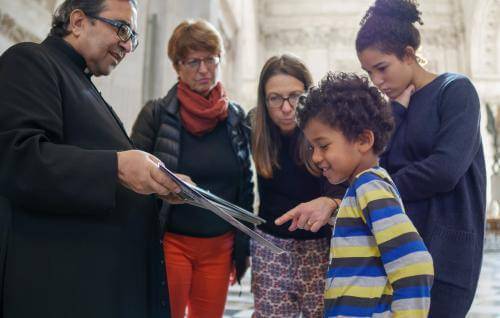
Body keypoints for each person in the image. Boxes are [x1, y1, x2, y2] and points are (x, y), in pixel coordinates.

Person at [0, 0, 182, 317]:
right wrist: (116, 166)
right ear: (78, 21)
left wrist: (159, 184)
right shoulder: (30, 60)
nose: (128, 45)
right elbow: (19, 159)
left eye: (133, 37)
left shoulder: (82, 83)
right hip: (61, 287)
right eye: (123, 29)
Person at [355, 0, 486, 316]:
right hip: (398, 246)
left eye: (382, 67)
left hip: (448, 249)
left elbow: (445, 170)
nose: (376, 80)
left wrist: (380, 189)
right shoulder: (393, 108)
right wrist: (397, 112)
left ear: (409, 54)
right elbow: (378, 166)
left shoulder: (455, 91)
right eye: (369, 72)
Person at [130, 19, 253, 318]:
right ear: (177, 66)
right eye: (193, 61)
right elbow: (133, 179)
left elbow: (245, 183)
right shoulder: (156, 114)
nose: (203, 69)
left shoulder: (235, 117)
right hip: (171, 242)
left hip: (220, 246)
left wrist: (243, 243)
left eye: (210, 59)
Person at [291, 72, 434, 317]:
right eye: (312, 147)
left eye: (323, 145)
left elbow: (415, 265)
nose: (315, 157)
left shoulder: (371, 188)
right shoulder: (360, 189)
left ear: (363, 140)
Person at [248, 54, 345, 317]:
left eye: (295, 96)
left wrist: (332, 203)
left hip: (319, 246)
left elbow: (345, 183)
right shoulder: (254, 127)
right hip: (270, 246)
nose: (287, 108)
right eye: (275, 98)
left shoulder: (325, 130)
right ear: (264, 100)